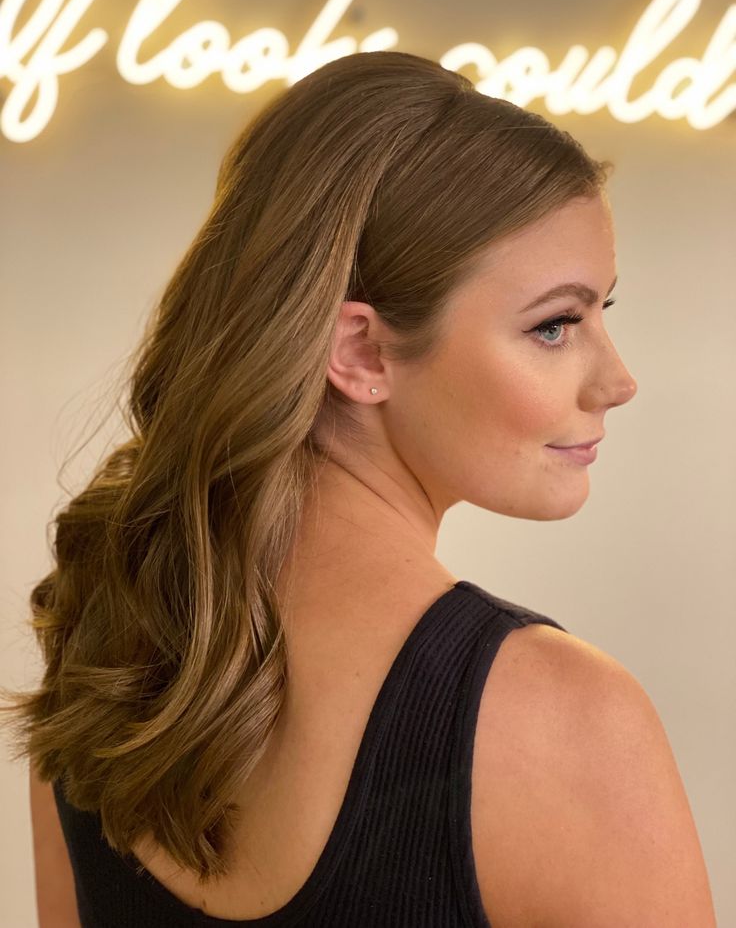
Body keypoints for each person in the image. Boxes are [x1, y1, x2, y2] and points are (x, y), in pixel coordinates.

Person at [2, 51, 716, 926]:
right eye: (556, 324)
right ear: (362, 353)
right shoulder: (561, 719)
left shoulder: (102, 653)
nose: (618, 379)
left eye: (605, 312)